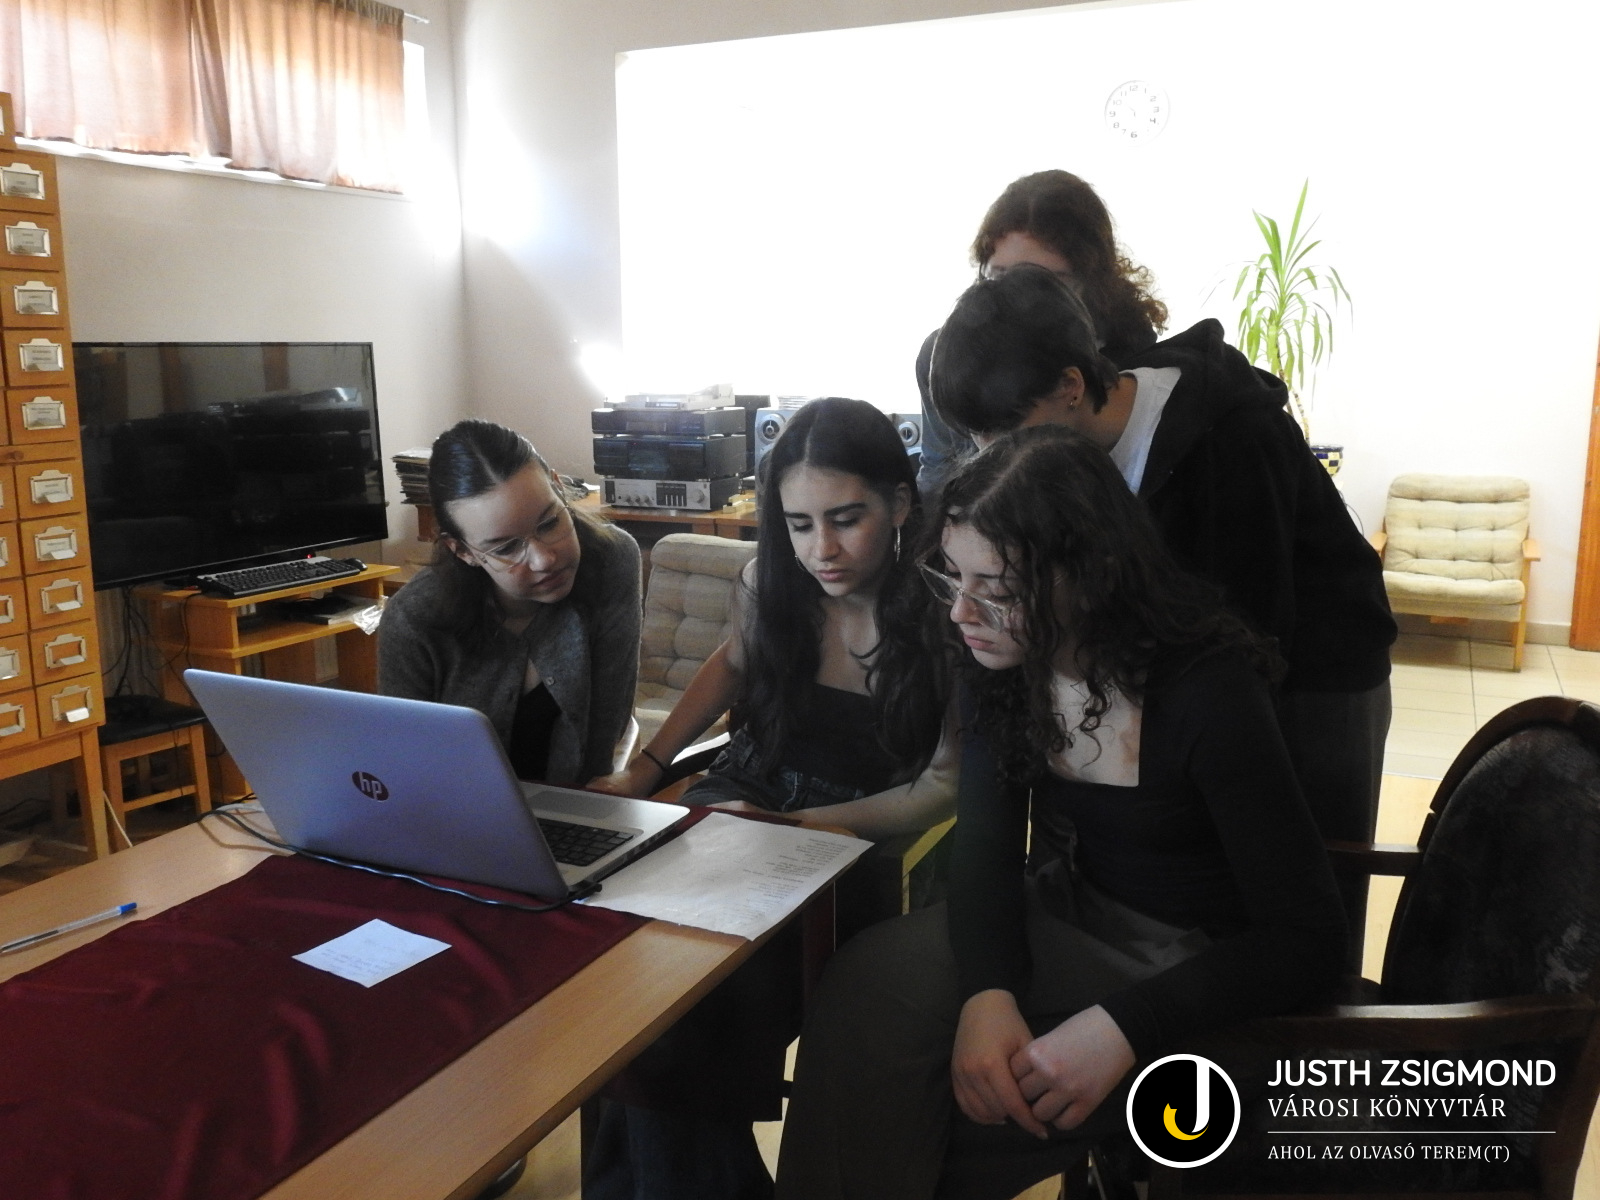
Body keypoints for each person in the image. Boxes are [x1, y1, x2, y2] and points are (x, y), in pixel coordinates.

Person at [775, 426, 1346, 1200]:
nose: (962, 612)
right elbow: (986, 847)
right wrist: (990, 992)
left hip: (1201, 957)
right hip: (1079, 908)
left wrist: (1122, 1026)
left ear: (1093, 575)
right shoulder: (1000, 661)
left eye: (998, 589)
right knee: (865, 985)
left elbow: (1308, 938)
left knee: (926, 1106)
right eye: (953, 577)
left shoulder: (1207, 690)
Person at [928, 262, 1395, 947]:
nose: (990, 458)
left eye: (1002, 432)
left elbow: (1256, 628)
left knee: (1295, 873)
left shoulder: (1228, 437)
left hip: (1316, 671)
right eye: (976, 439)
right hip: (1198, 670)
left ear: (1070, 387)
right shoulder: (1065, 455)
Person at [584, 397, 957, 1200]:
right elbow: (731, 663)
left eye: (846, 519)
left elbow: (940, 789)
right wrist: (645, 771)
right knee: (628, 986)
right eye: (798, 524)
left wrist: (791, 826)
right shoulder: (771, 582)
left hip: (853, 839)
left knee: (682, 1020)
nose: (822, 549)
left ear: (899, 503)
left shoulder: (946, 612)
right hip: (745, 794)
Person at [378, 418, 641, 786]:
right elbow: (405, 763)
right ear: (463, 551)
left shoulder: (611, 560)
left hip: (577, 804)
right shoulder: (413, 618)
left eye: (549, 524)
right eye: (505, 548)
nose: (544, 560)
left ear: (558, 487)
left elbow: (607, 723)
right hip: (457, 808)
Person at [915, 169, 1168, 495]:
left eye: (1045, 280)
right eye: (1000, 275)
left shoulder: (1134, 366)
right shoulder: (945, 360)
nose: (1018, 295)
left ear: (1092, 283)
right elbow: (938, 473)